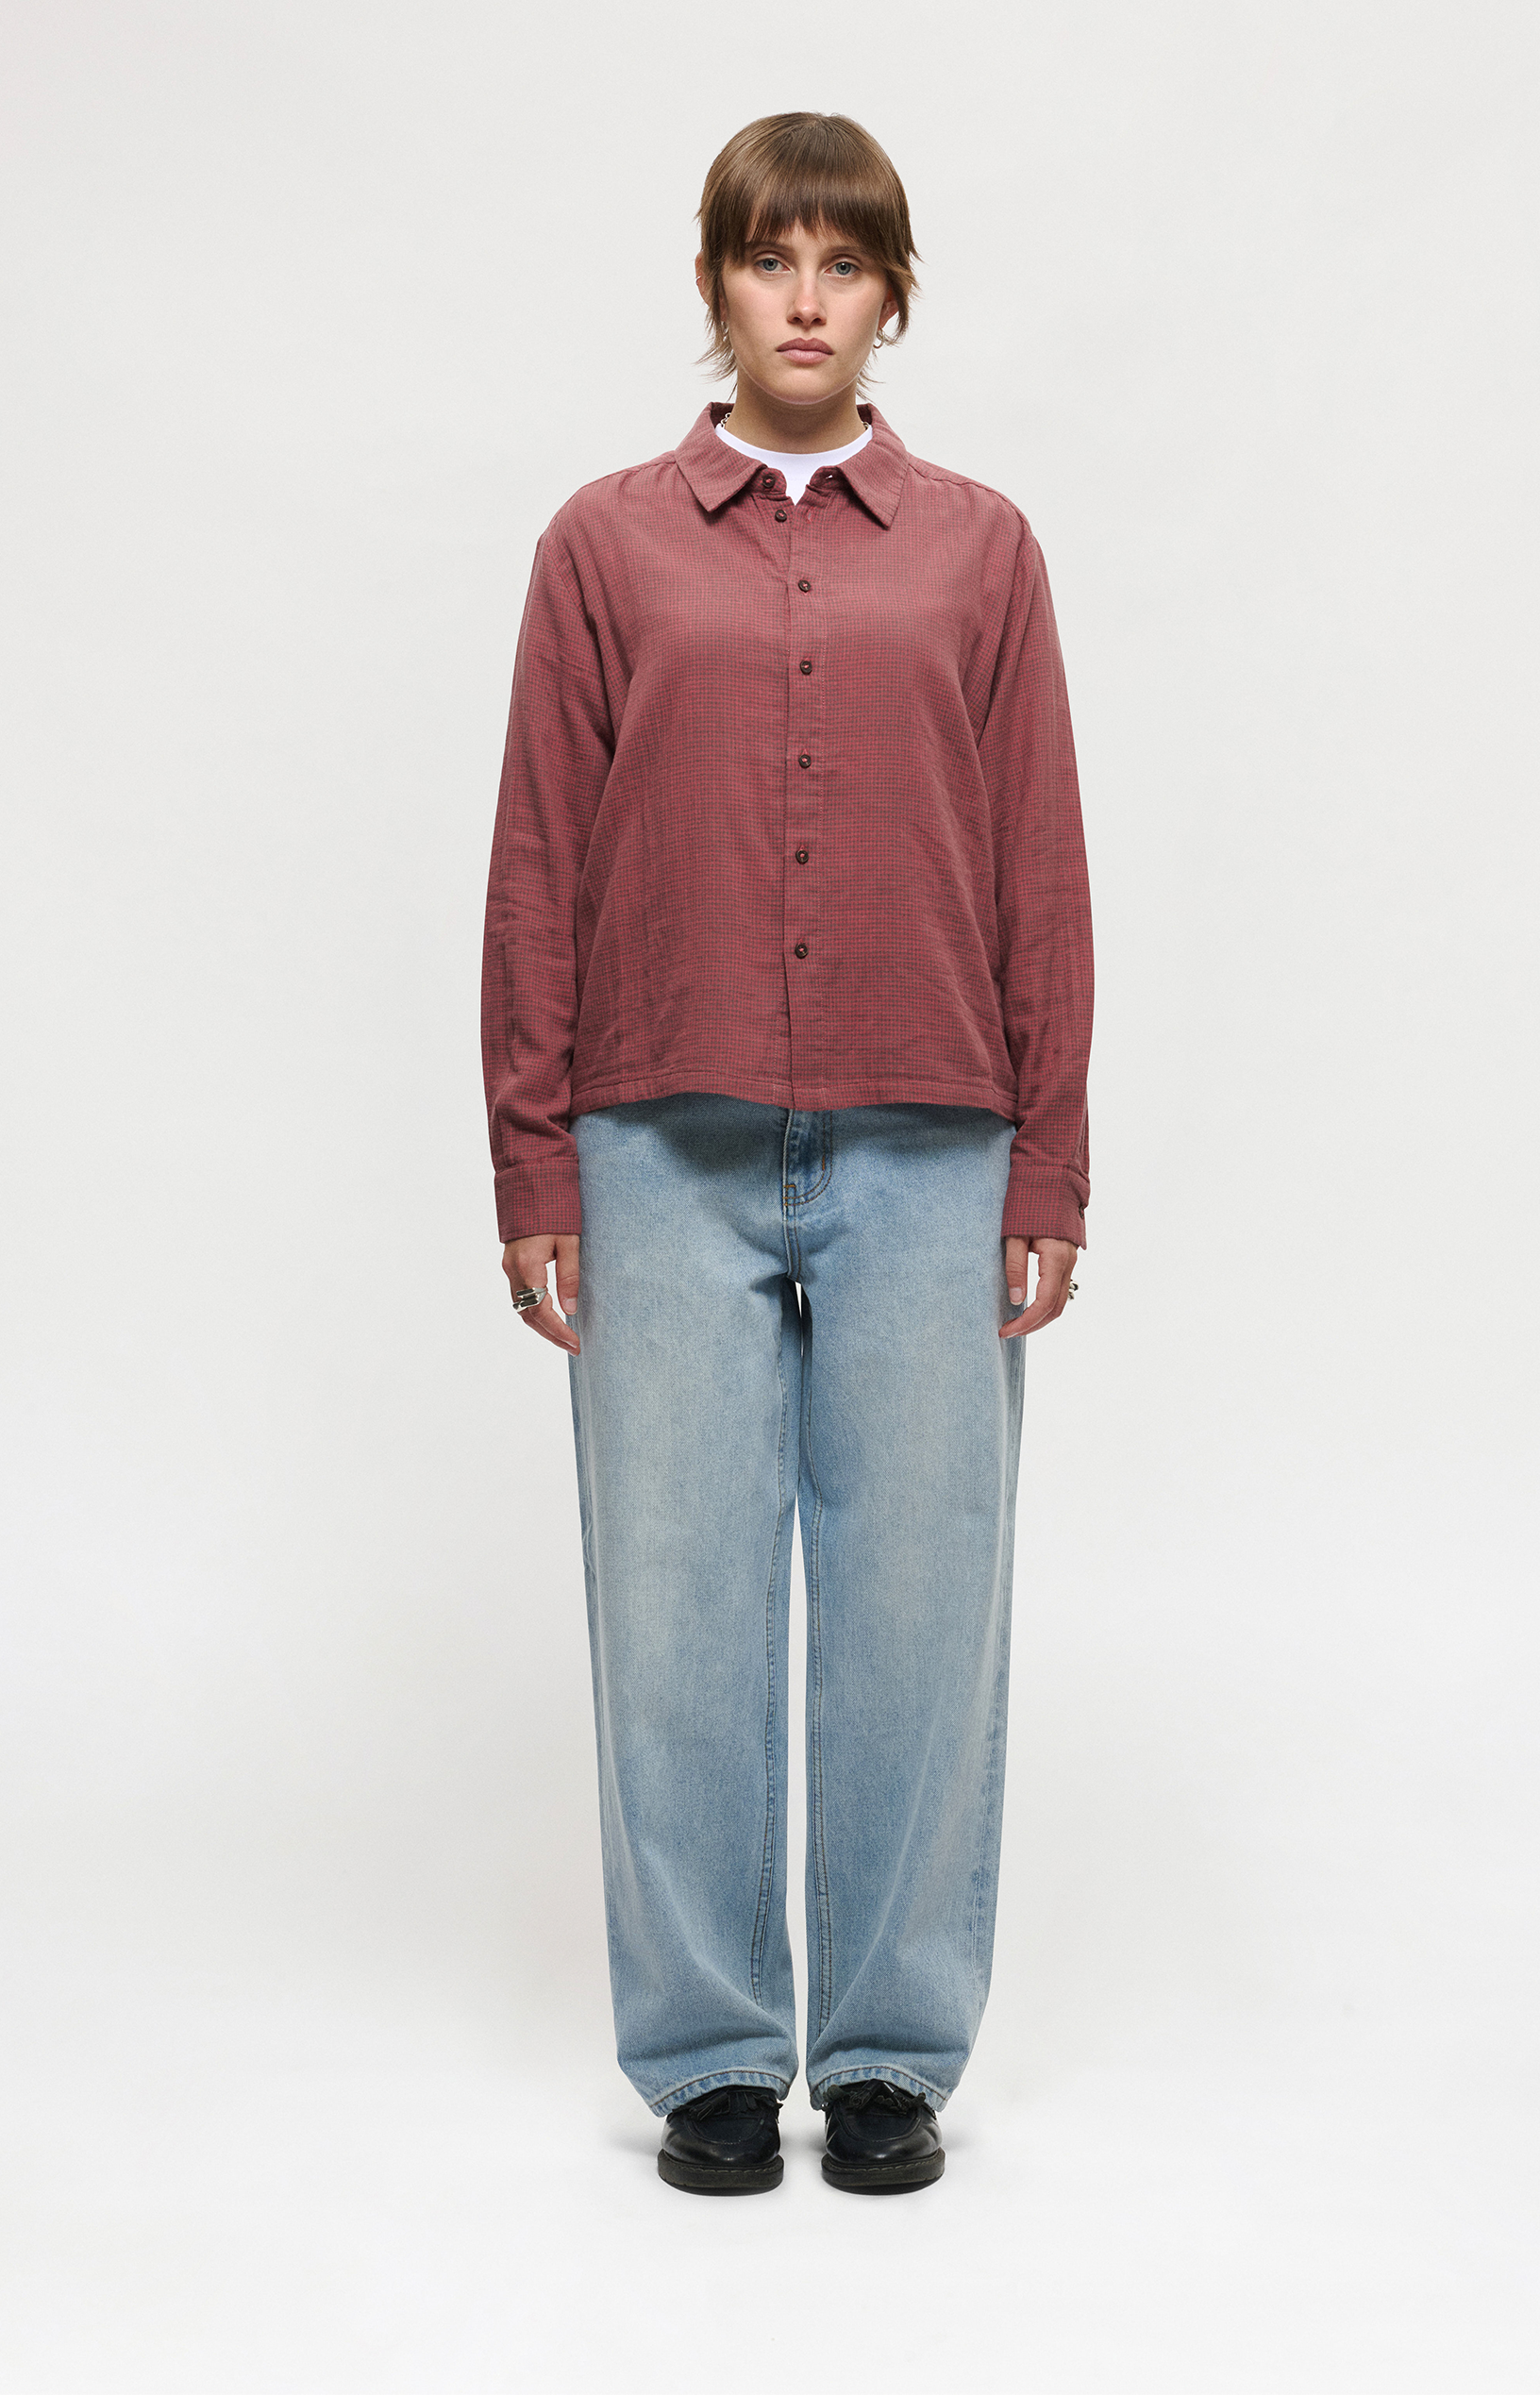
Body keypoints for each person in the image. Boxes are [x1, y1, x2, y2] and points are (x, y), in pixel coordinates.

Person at [479, 112, 1093, 2195]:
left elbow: (1040, 865)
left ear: (894, 292)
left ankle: (894, 2053)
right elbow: (538, 865)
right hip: (659, 1143)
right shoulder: (604, 547)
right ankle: (715, 2058)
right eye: (771, 259)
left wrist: (1050, 1164)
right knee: (676, 1614)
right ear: (717, 285)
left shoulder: (986, 551)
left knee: (920, 1612)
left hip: (935, 1145)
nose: (807, 298)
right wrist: (536, 1167)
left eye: (845, 261)